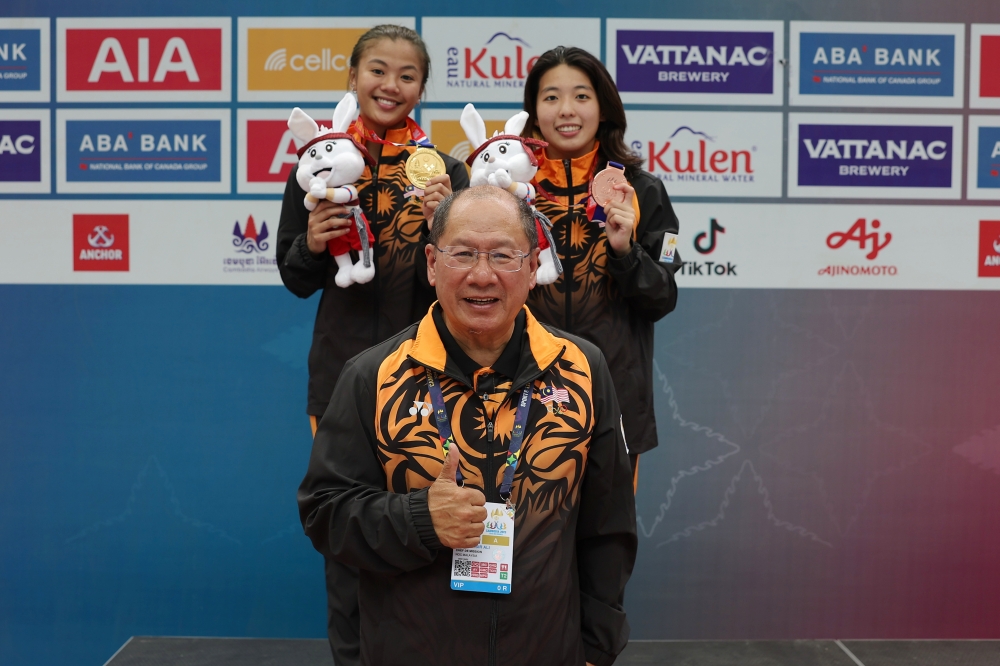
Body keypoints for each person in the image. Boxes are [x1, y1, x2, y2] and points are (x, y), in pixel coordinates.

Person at [298, 186, 637, 666]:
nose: (482, 275)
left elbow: (609, 526)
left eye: (503, 255)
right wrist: (420, 519)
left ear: (532, 264)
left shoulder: (583, 368)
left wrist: (596, 648)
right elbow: (325, 514)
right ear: (433, 264)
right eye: (463, 254)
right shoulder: (373, 375)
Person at [275, 25, 469, 666]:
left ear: (422, 88)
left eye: (407, 75)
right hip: (340, 375)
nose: (391, 85)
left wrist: (446, 220)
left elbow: (467, 284)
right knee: (347, 523)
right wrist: (312, 240)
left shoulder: (448, 171)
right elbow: (294, 275)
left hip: (434, 379)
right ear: (353, 76)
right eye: (377, 70)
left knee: (431, 519)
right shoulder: (318, 162)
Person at [521, 46, 681, 484]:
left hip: (615, 401)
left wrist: (626, 251)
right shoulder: (513, 194)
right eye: (551, 97)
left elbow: (662, 297)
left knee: (606, 546)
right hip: (522, 398)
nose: (566, 110)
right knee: (526, 542)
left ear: (604, 108)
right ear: (533, 114)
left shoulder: (643, 191)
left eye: (582, 96)